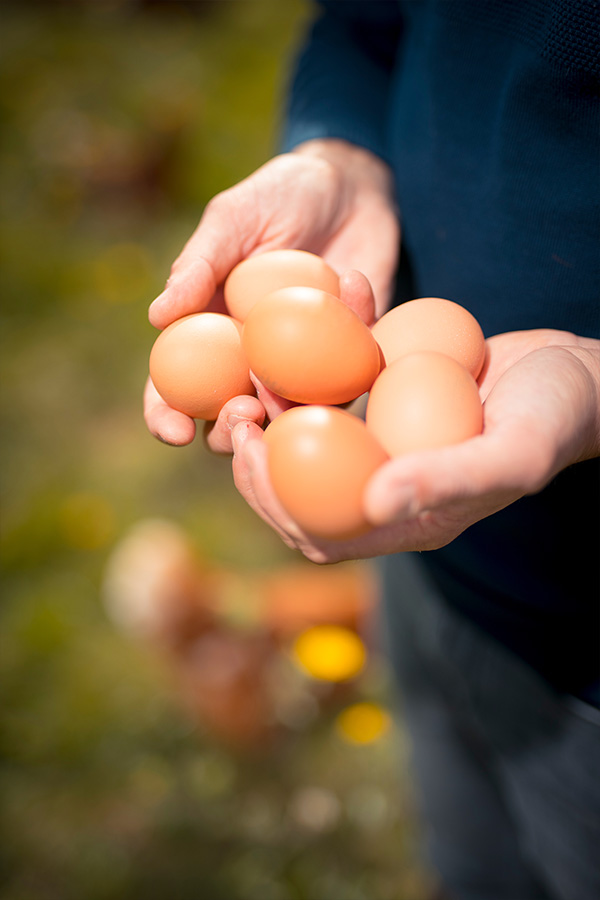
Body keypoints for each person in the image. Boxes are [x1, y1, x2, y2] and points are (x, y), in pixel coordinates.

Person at [144, 2, 600, 897]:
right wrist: (337, 150)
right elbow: (361, 23)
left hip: (587, 655)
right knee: (471, 866)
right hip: (437, 579)